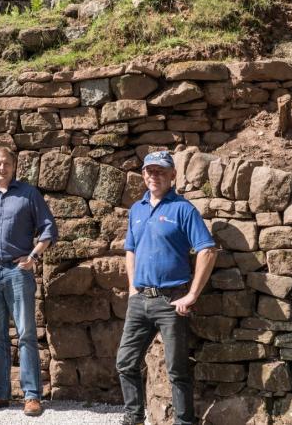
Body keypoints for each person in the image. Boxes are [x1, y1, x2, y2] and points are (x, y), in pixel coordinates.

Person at [115, 151, 217, 425]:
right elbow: (130, 250)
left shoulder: (183, 209)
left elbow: (207, 250)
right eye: (149, 171)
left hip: (172, 301)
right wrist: (132, 288)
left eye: (160, 171)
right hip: (140, 300)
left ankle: (184, 422)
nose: (153, 176)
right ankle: (134, 416)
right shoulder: (137, 209)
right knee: (125, 362)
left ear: (173, 176)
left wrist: (192, 294)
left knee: (177, 370)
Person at [0, 146, 58, 417]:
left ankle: (31, 396)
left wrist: (34, 258)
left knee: (27, 333)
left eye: (6, 164)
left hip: (18, 272)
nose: (1, 168)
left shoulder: (28, 194)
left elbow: (49, 228)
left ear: (14, 166)